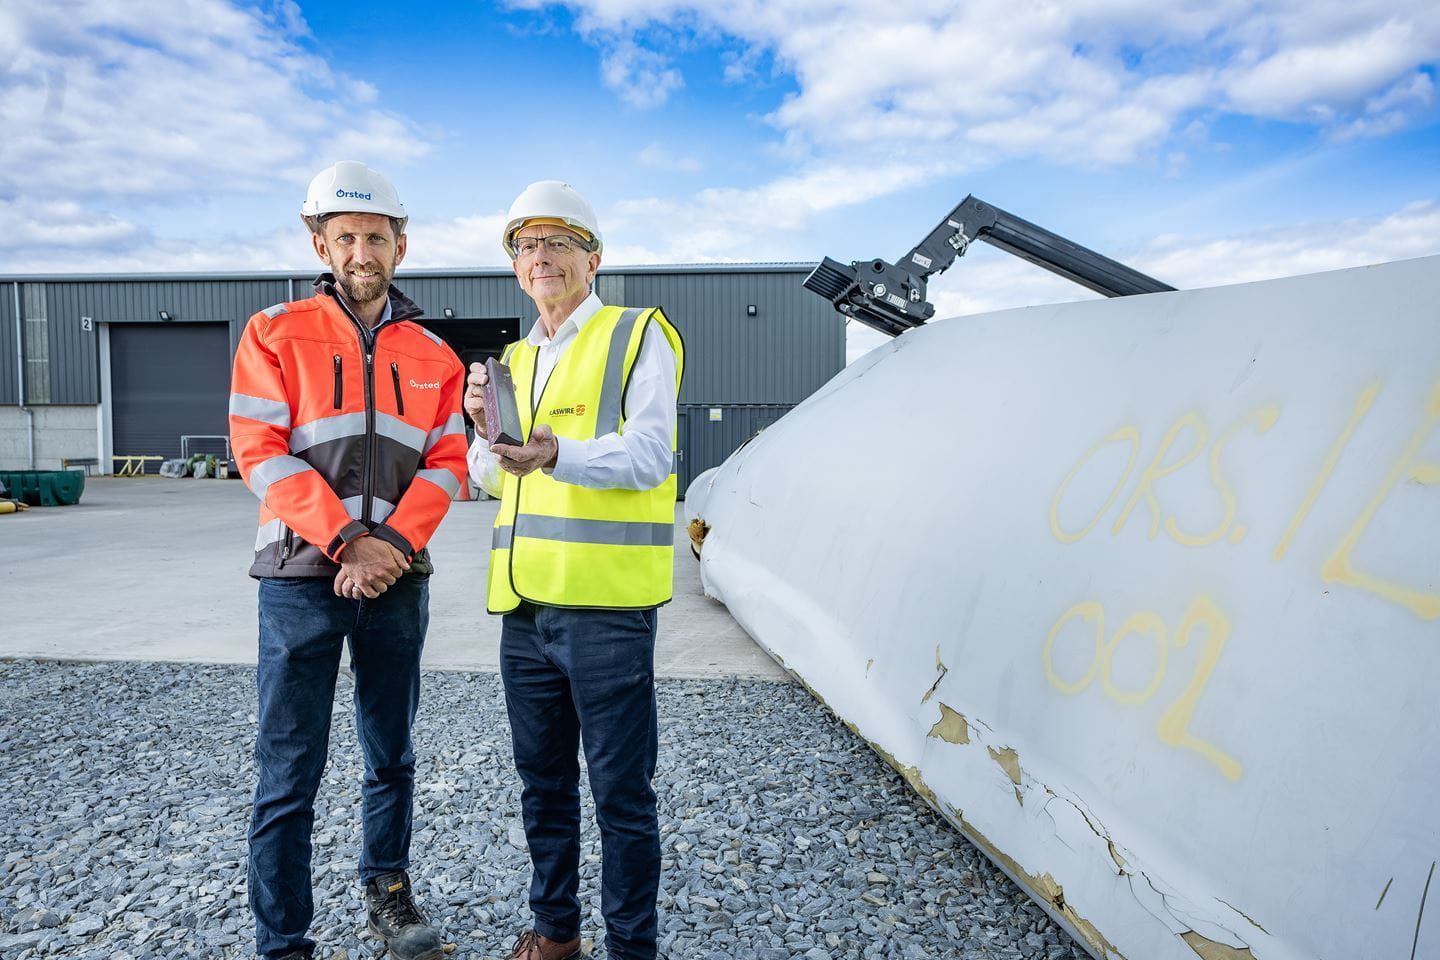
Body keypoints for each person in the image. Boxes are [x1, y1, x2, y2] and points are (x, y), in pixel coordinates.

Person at [229, 160, 468, 960]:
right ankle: (283, 941)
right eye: (346, 237)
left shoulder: (436, 355)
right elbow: (256, 448)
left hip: (397, 582)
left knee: (390, 753)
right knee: (290, 766)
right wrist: (345, 540)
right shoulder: (273, 332)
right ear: (319, 243)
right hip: (300, 577)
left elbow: (450, 463)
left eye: (376, 236)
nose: (362, 251)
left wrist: (390, 548)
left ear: (401, 245)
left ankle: (388, 893)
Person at [464, 181, 684, 960]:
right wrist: (483, 438)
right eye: (526, 245)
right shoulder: (514, 360)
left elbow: (653, 454)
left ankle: (632, 948)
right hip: (524, 613)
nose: (541, 257)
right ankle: (557, 932)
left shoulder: (637, 335)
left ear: (594, 257)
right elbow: (489, 479)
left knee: (622, 797)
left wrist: (557, 451)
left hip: (605, 612)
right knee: (543, 787)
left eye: (558, 242)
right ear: (515, 266)